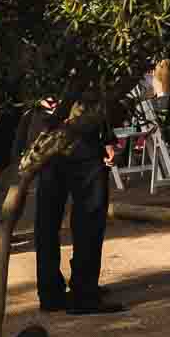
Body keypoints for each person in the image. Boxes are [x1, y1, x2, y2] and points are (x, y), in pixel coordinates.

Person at [26, 97, 123, 315]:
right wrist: (106, 138)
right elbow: (96, 88)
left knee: (48, 219)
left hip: (47, 137)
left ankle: (51, 293)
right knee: (87, 218)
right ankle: (83, 293)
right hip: (79, 137)